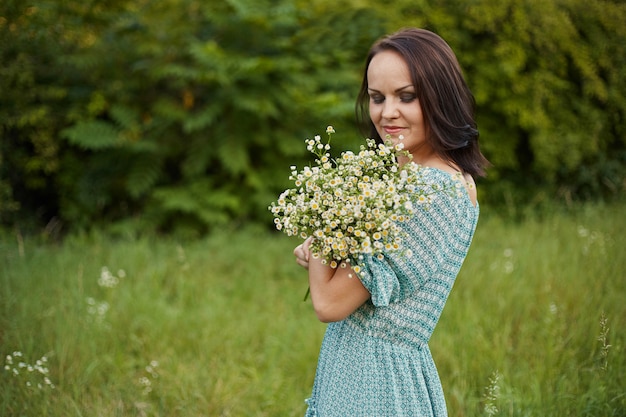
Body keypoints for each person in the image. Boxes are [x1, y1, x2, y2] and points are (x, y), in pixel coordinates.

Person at [293, 28, 490, 416]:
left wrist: (319, 242)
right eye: (376, 97)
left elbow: (329, 302)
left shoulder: (432, 192)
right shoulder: (404, 180)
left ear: (439, 97)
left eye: (407, 96)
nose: (387, 113)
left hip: (377, 383)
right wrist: (330, 247)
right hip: (356, 366)